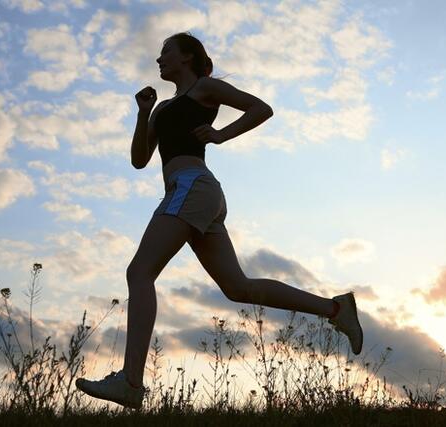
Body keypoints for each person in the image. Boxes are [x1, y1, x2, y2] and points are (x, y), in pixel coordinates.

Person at [75, 31, 363, 409]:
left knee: (139, 272)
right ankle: (336, 309)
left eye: (166, 52)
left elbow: (261, 108)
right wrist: (144, 112)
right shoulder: (162, 108)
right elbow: (140, 159)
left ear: (188, 57)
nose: (159, 59)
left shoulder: (205, 88)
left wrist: (220, 135)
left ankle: (130, 381)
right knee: (237, 287)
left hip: (193, 187)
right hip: (196, 194)